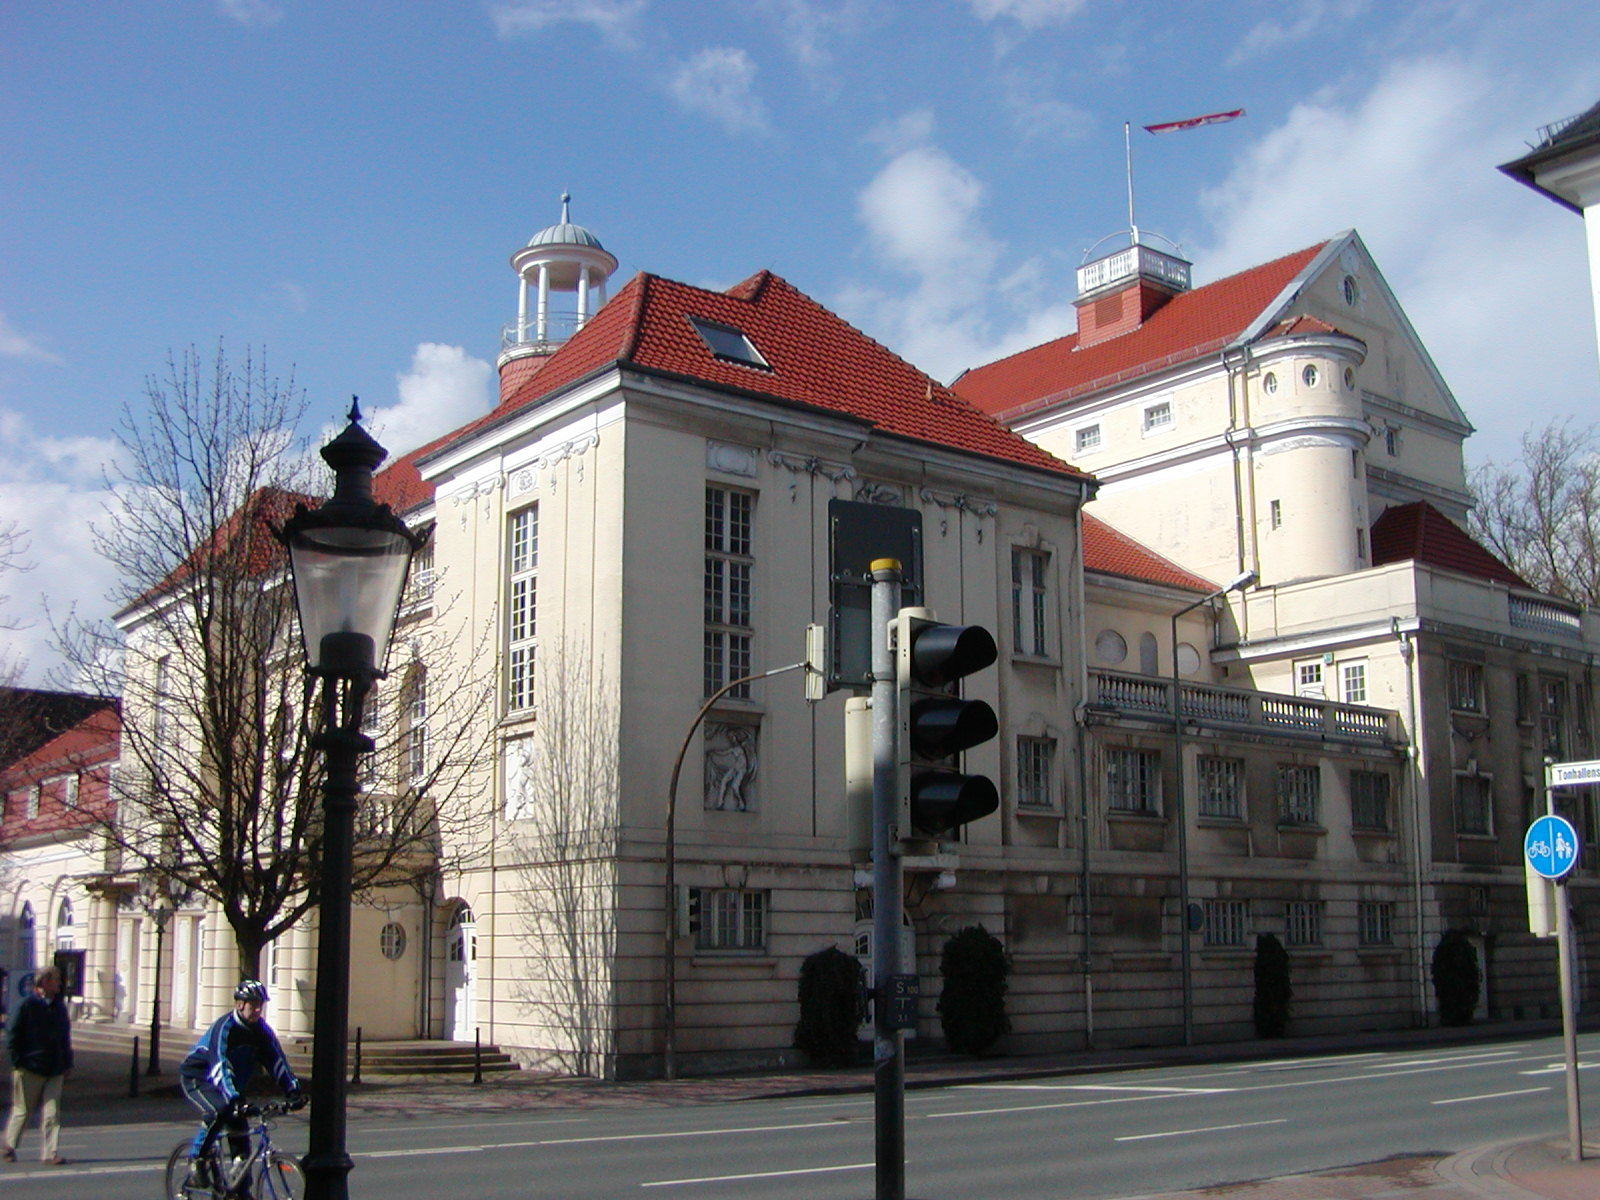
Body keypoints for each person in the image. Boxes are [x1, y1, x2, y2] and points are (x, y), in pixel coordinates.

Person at [179, 980, 303, 1194]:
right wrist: (234, 1099)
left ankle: (240, 1188)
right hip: (199, 1078)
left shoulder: (261, 1031)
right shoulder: (225, 1028)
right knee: (219, 1111)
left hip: (230, 1085)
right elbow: (220, 1064)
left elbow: (276, 1061)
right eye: (252, 1004)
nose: (257, 1009)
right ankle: (197, 1162)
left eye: (260, 1005)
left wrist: (292, 1090)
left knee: (241, 1137)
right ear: (239, 1005)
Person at [3, 965, 73, 1166]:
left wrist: (67, 1062)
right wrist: (18, 1062)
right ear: (43, 982)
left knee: (52, 1113)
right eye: (56, 980)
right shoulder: (26, 1005)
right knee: (23, 1110)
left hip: (55, 1068)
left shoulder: (59, 1007)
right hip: (30, 1067)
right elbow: (12, 1035)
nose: (60, 984)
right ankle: (9, 1146)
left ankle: (50, 1154)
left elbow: (64, 1037)